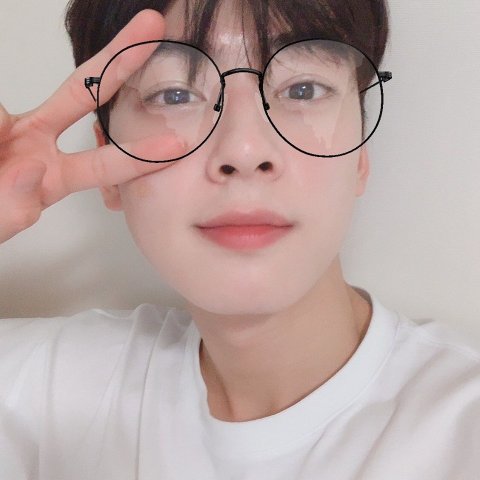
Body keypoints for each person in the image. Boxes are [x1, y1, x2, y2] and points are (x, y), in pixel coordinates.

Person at [0, 0, 478, 479]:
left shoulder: (461, 428)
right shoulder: (50, 392)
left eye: (303, 89)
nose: (245, 150)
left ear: (359, 157)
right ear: (109, 167)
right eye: (174, 95)